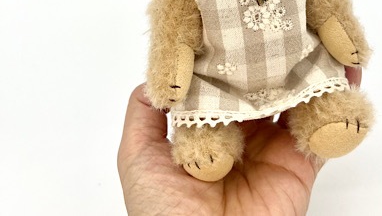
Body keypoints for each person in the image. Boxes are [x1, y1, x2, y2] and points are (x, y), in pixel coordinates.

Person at [118, 68, 362, 215]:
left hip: (295, 57)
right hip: (211, 75)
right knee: (197, 97)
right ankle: (206, 141)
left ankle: (323, 113)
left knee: (316, 80)